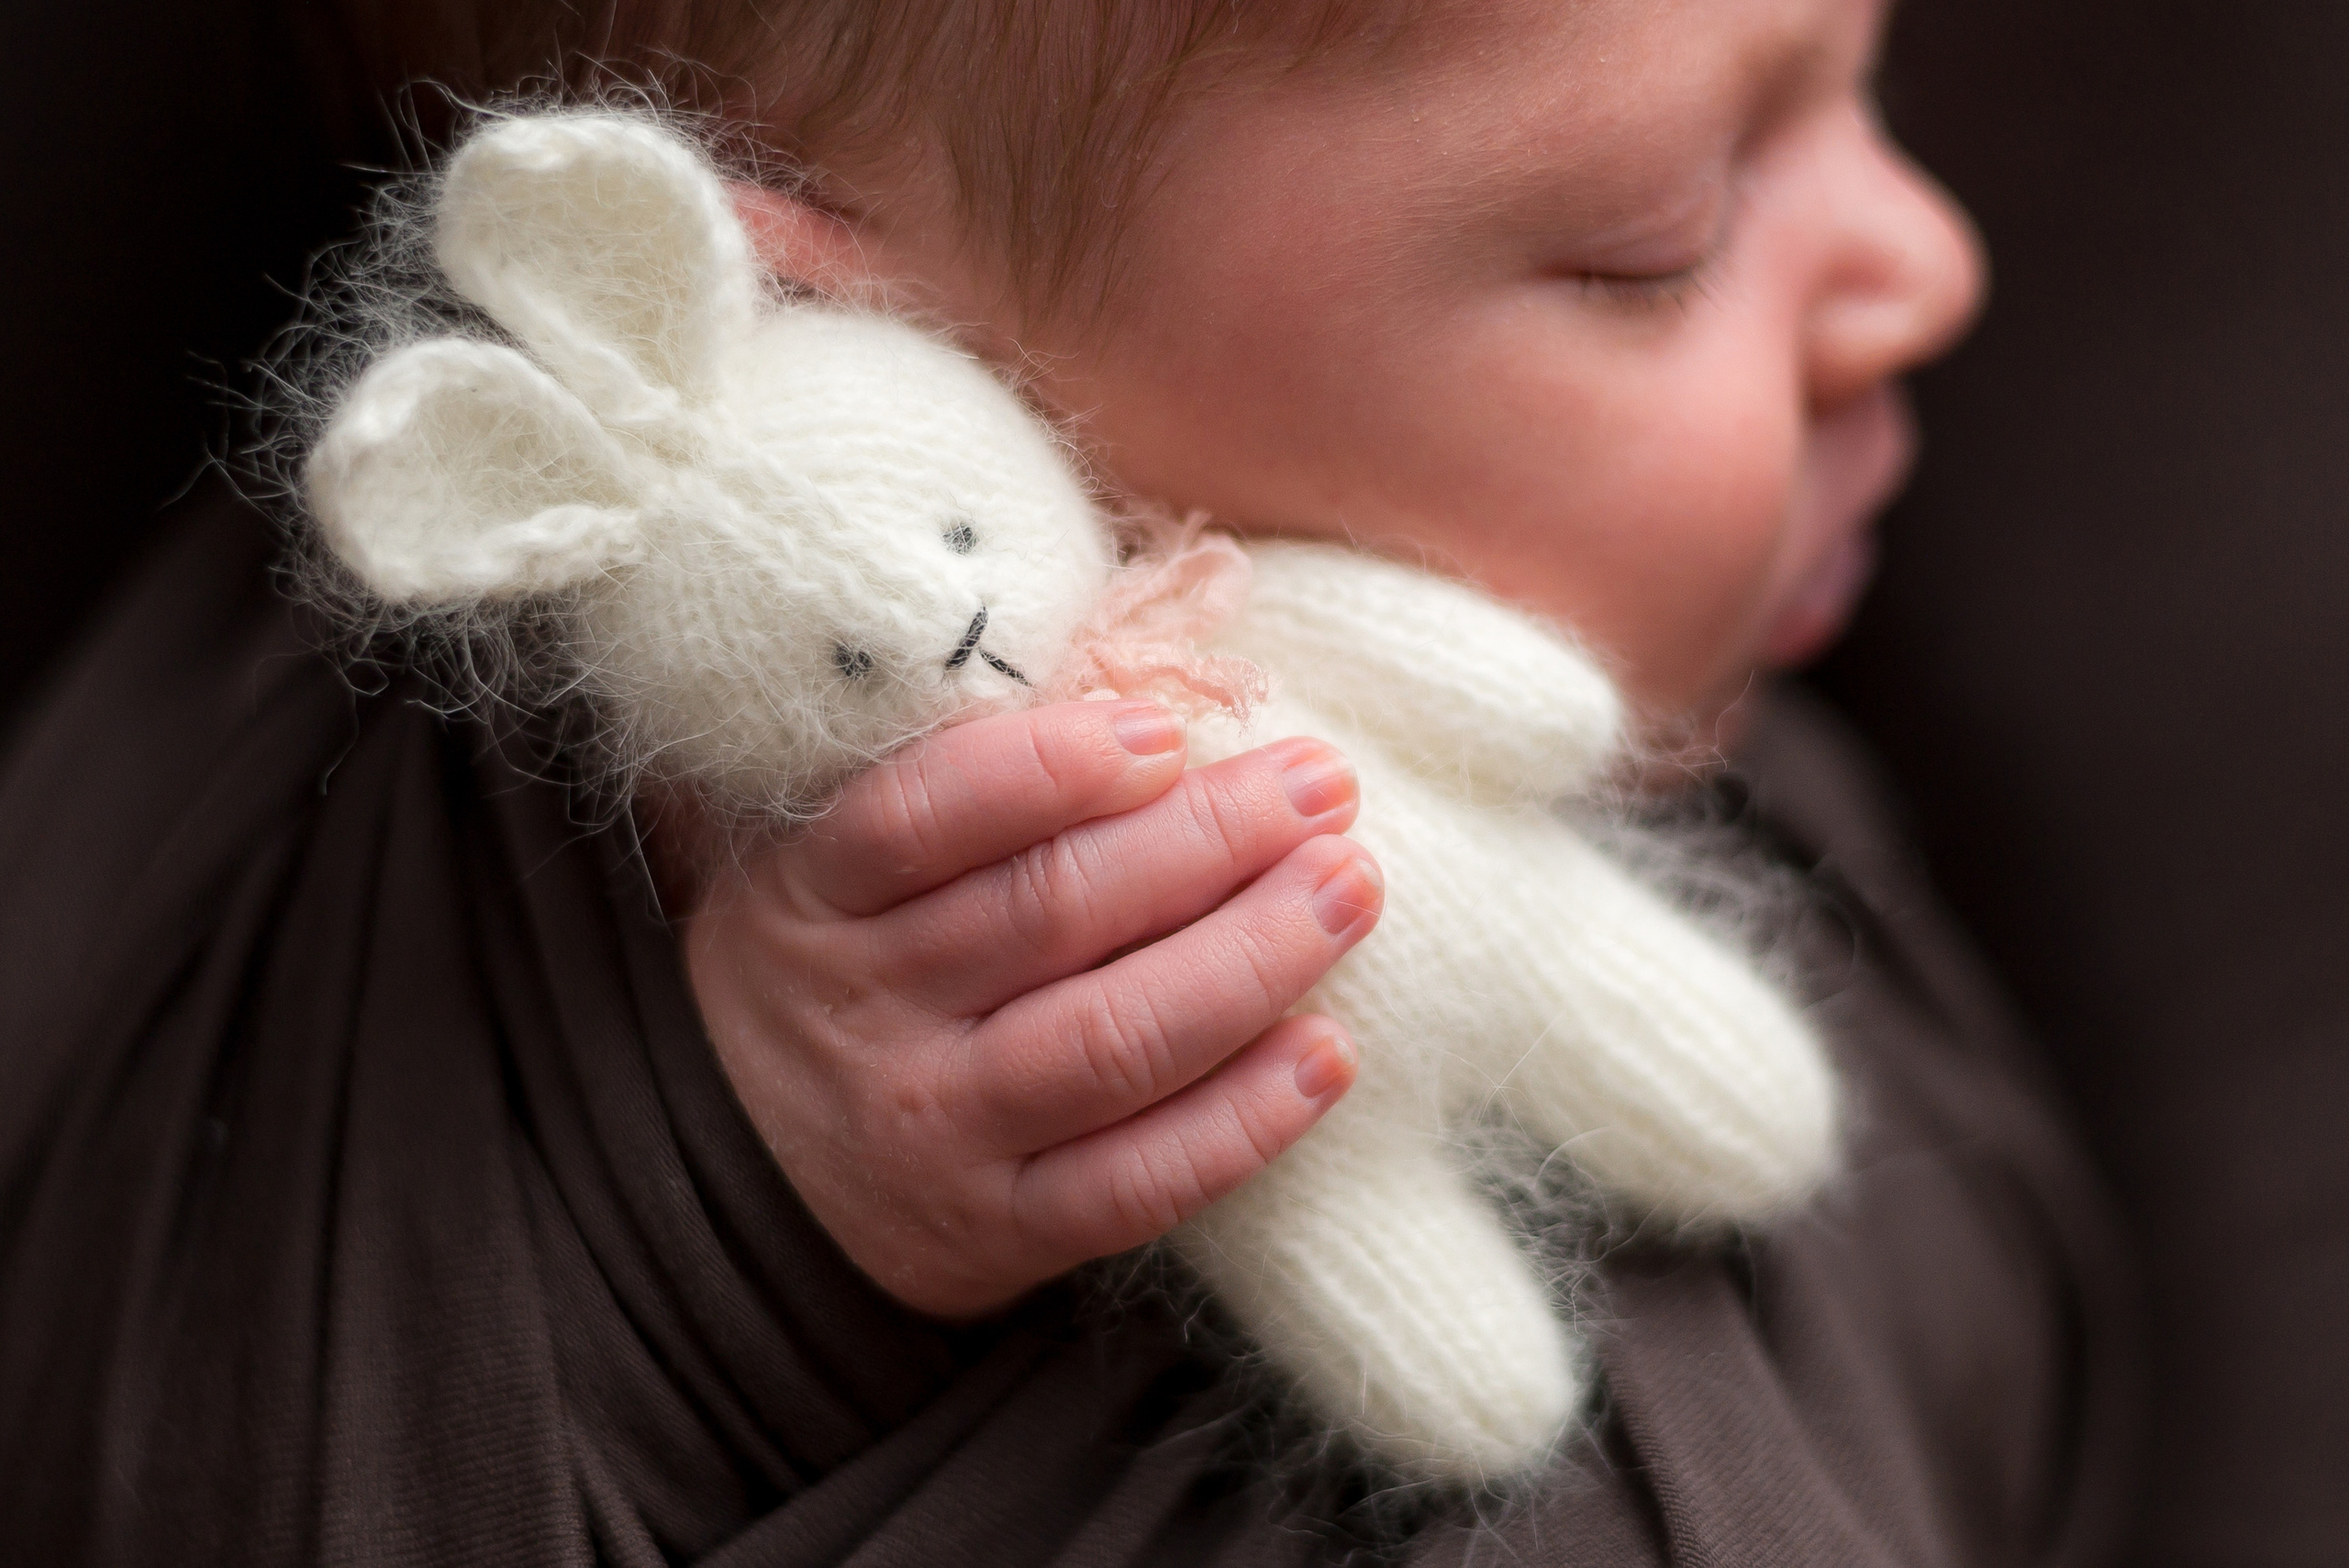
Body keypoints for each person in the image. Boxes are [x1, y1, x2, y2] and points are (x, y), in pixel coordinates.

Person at [0, 1, 2140, 1562]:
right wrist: (747, 1221)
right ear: (823, 327)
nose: (1923, 257)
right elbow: (190, 1441)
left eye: (1861, 74)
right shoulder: (355, 875)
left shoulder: (1685, 727)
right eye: (1654, 239)